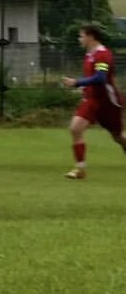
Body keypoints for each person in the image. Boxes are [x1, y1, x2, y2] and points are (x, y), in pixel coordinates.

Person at [61, 23, 126, 179]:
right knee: (75, 128)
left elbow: (100, 78)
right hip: (92, 100)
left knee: (119, 136)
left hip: (108, 102)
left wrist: (77, 83)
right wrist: (83, 89)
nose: (79, 39)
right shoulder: (90, 55)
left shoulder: (103, 55)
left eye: (81, 36)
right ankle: (80, 169)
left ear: (90, 36)